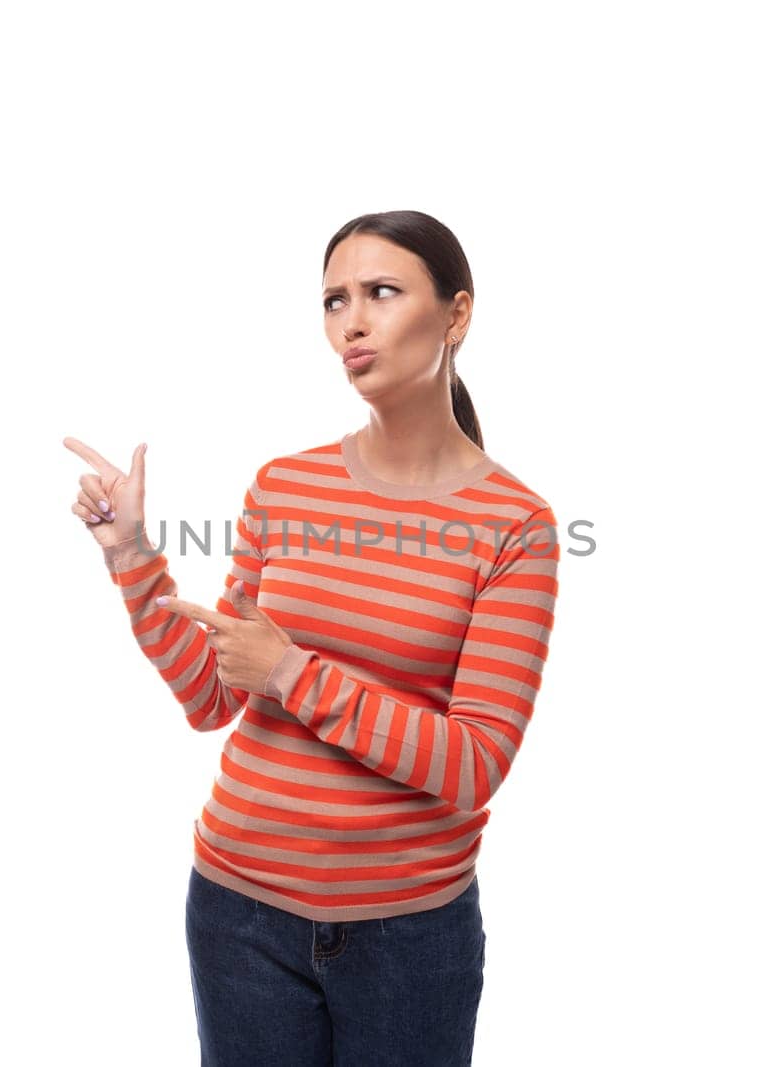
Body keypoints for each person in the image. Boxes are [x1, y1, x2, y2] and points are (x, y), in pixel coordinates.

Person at [63, 210, 560, 1066]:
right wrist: (132, 556)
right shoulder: (285, 485)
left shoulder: (515, 525)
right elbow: (213, 695)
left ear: (456, 315)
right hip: (239, 915)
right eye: (334, 300)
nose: (351, 322)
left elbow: (473, 760)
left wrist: (295, 671)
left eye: (381, 292)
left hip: (410, 937)